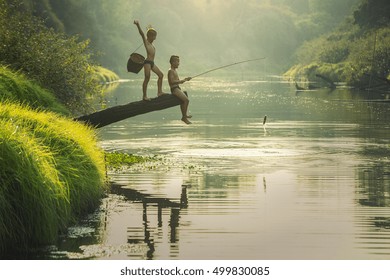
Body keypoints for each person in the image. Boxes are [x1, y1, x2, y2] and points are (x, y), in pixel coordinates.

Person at [134, 20, 165, 101]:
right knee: (147, 77)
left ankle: (159, 92)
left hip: (152, 63)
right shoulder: (146, 42)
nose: (155, 38)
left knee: (161, 75)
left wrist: (150, 29)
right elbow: (142, 34)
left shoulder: (152, 44)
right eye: (154, 36)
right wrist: (138, 25)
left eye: (155, 36)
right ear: (150, 36)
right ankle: (144, 96)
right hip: (147, 62)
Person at [168, 55, 192, 124]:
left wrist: (186, 79)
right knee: (186, 100)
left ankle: (184, 115)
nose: (178, 63)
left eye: (179, 61)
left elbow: (178, 81)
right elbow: (171, 82)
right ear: (172, 62)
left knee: (183, 100)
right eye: (177, 61)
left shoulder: (174, 71)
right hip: (174, 89)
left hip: (177, 88)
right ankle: (184, 117)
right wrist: (181, 81)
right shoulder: (171, 71)